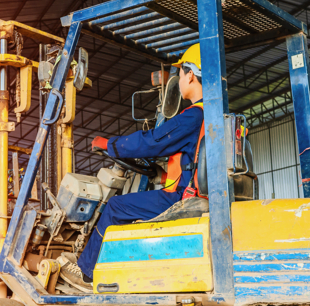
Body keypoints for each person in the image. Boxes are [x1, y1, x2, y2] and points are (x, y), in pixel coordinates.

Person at [59, 44, 207, 292]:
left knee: (117, 206)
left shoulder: (193, 116)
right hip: (195, 195)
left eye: (181, 73)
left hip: (182, 198)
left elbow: (152, 141)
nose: (180, 79)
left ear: (190, 75)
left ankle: (87, 273)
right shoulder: (213, 115)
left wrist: (111, 144)